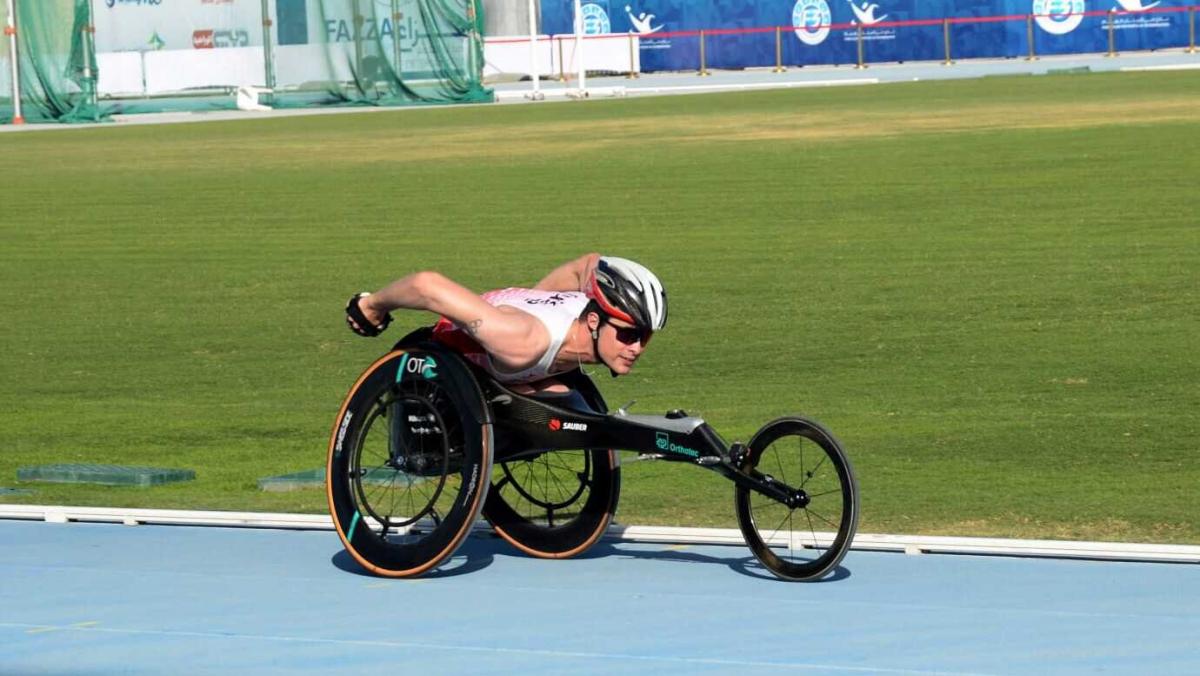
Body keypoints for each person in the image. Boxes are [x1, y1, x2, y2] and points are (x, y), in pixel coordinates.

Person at [344, 254, 667, 396]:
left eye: (644, 338)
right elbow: (426, 286)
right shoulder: (523, 342)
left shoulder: (587, 306)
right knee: (553, 394)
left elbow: (587, 265)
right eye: (627, 335)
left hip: (511, 350)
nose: (636, 348)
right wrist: (372, 306)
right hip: (436, 363)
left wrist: (534, 297)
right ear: (594, 321)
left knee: (561, 396)